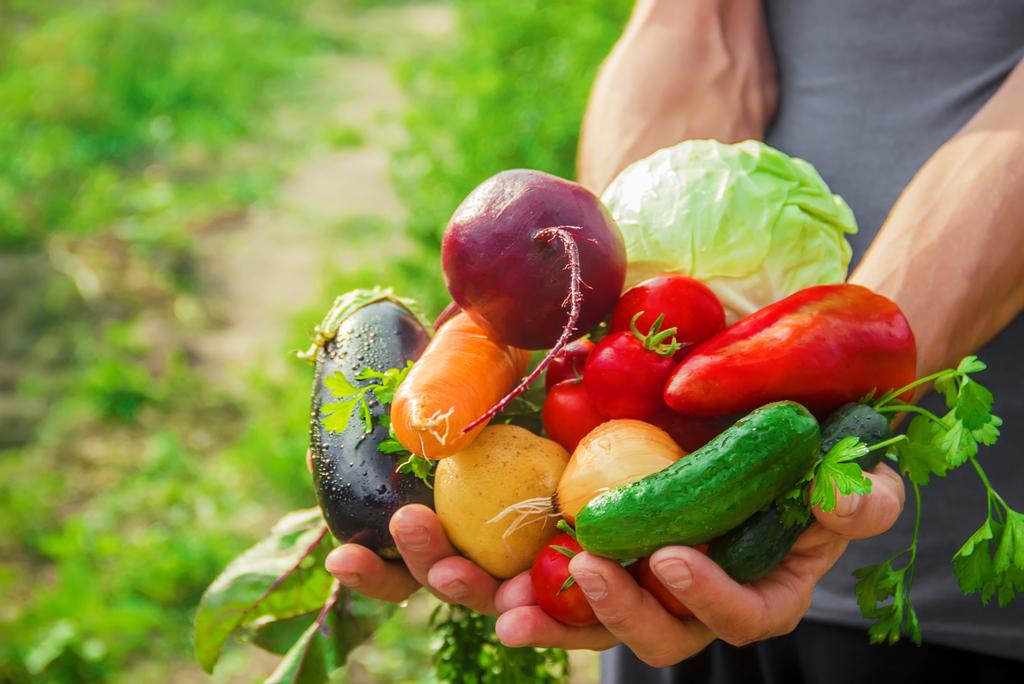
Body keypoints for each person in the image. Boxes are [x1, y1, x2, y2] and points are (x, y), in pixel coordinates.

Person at [325, 0, 1024, 680]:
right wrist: (599, 304)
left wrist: (864, 355)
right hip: (680, 522)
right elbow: (696, 22)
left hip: (955, 573)